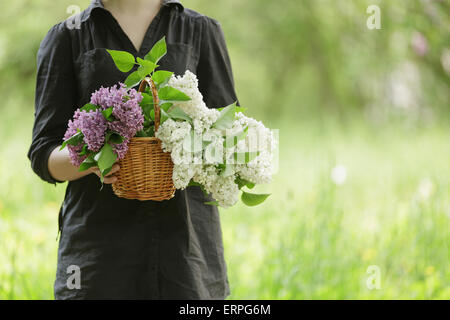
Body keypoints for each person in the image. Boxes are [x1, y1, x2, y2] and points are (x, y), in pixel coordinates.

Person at [27, 0, 239, 299]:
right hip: (97, 257)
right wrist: (95, 155)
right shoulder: (67, 35)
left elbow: (228, 135)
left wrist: (188, 148)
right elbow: (43, 154)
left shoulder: (200, 29)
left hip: (186, 253)